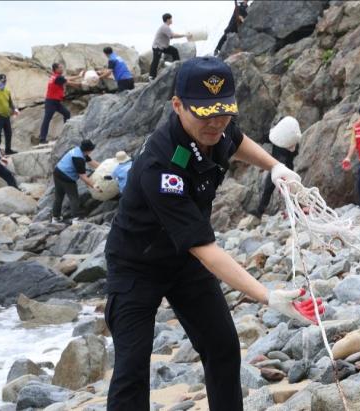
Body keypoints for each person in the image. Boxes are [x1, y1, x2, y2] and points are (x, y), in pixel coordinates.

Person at [104, 57, 323, 411]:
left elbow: (235, 140)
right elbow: (206, 250)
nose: (215, 123)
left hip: (184, 263)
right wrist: (267, 296)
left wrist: (276, 167)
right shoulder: (161, 166)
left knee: (222, 347)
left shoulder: (217, 129)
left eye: (223, 112)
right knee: (132, 369)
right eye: (204, 114)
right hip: (136, 265)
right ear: (177, 106)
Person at [252, 116, 300, 218]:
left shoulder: (280, 136)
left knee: (270, 189)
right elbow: (295, 152)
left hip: (277, 167)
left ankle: (260, 212)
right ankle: (294, 210)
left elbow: (265, 138)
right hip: (284, 167)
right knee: (287, 190)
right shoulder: (288, 137)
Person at [52, 139, 100, 223]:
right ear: (88, 150)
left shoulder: (79, 151)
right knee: (73, 197)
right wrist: (94, 186)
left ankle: (55, 218)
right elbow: (83, 177)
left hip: (57, 171)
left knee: (59, 196)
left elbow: (91, 162)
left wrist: (104, 167)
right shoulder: (79, 158)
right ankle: (76, 219)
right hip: (66, 177)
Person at [39, 63, 82, 144]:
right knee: (47, 119)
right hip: (51, 101)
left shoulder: (55, 76)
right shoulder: (58, 77)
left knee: (66, 113)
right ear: (56, 69)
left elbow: (66, 78)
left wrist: (79, 76)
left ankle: (66, 134)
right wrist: (81, 84)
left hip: (55, 101)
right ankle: (42, 139)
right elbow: (68, 82)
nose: (62, 69)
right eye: (60, 68)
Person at [149, 13, 191, 81]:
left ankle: (177, 68)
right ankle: (151, 77)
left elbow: (171, 36)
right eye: (171, 18)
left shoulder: (166, 27)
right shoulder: (164, 27)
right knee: (155, 61)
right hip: (157, 47)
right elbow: (173, 35)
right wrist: (185, 35)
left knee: (174, 51)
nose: (172, 20)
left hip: (164, 47)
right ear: (168, 19)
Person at [0, 74, 20, 155]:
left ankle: (8, 149)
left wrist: (14, 109)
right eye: (2, 81)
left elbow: (10, 103)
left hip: (6, 116)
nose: (4, 83)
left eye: (5, 81)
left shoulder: (7, 91)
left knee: (9, 133)